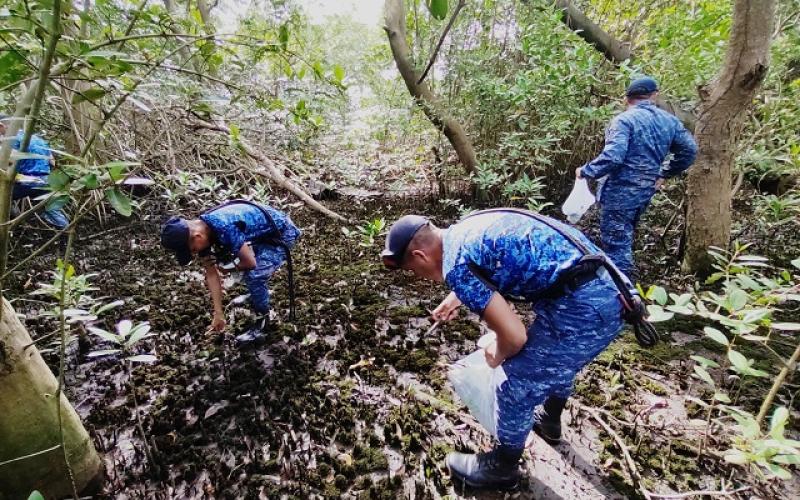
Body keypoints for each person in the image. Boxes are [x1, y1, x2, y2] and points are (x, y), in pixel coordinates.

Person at [381, 210, 629, 490]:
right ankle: (549, 420)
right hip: (608, 287)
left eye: (414, 271)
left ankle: (503, 467)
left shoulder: (458, 269)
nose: (420, 277)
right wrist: (457, 298)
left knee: (515, 381)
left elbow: (514, 337)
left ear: (419, 257)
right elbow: (491, 263)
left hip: (586, 308)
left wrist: (496, 353)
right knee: (554, 357)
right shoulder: (465, 230)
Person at [576, 76, 697, 281]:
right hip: (645, 191)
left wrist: (586, 171)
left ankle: (624, 296)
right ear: (654, 96)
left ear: (626, 98)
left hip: (620, 192)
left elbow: (613, 157)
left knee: (617, 244)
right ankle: (625, 288)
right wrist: (663, 173)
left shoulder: (624, 120)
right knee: (625, 236)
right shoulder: (669, 121)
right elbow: (690, 150)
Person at [160, 199, 300, 347]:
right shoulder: (202, 230)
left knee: (254, 276)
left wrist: (227, 269)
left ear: (197, 237)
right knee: (231, 260)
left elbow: (250, 263)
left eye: (193, 250)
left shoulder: (224, 227)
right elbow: (211, 274)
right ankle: (256, 295)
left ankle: (263, 322)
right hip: (258, 235)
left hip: (282, 233)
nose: (195, 253)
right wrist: (218, 313)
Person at [0, 114, 69, 229]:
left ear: (1, 126)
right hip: (46, 181)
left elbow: (6, 163)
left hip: (25, 181)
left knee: (3, 196)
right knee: (52, 211)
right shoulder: (38, 139)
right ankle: (66, 231)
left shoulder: (9, 141)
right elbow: (53, 162)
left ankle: (14, 226)